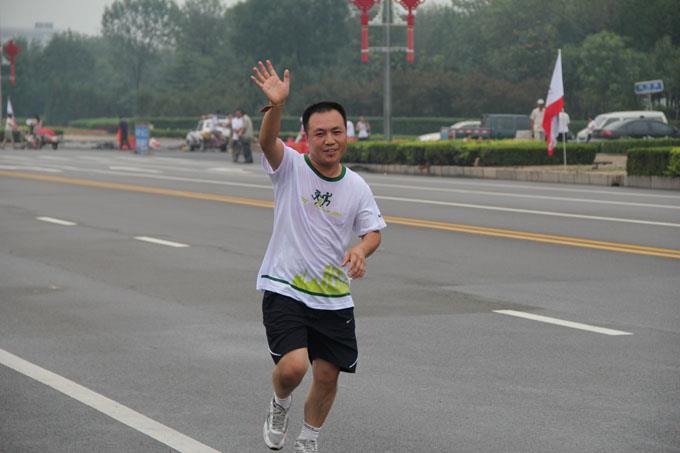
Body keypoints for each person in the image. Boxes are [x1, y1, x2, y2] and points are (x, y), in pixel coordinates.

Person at [251, 60, 386, 453]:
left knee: (328, 375)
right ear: (306, 137)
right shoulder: (290, 168)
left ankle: (308, 439)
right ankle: (280, 403)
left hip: (333, 296)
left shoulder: (356, 185)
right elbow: (267, 142)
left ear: (347, 134)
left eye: (336, 132)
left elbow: (373, 231)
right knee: (294, 367)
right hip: (286, 287)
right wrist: (276, 105)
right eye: (320, 133)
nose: (329, 140)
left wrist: (361, 249)